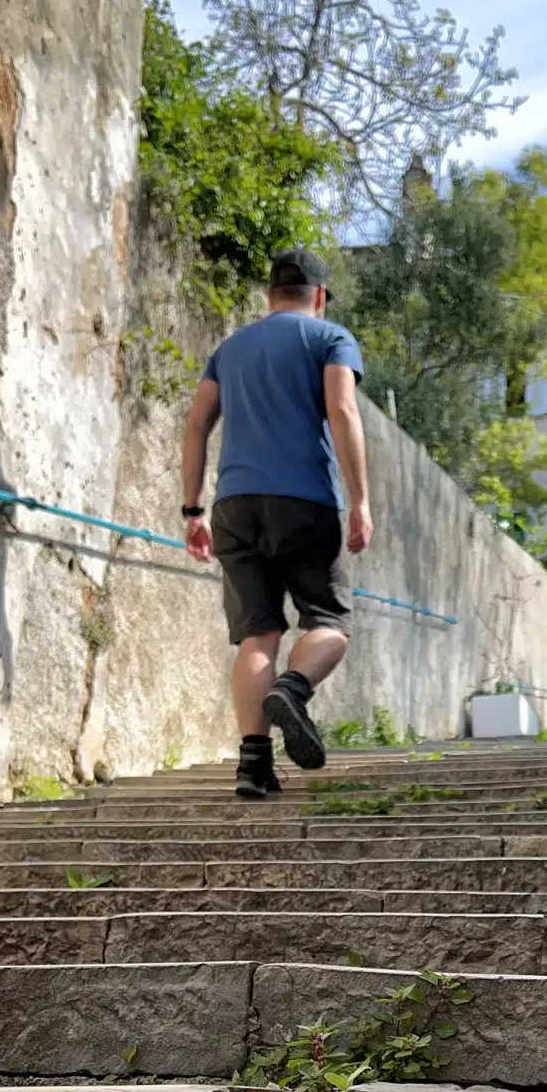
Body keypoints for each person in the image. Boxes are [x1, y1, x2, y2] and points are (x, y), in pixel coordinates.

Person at [181, 246, 374, 800]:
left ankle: (253, 766)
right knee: (330, 621)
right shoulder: (331, 337)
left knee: (257, 632)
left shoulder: (230, 348)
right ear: (319, 296)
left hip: (235, 507)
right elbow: (341, 410)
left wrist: (192, 509)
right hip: (306, 501)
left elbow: (197, 424)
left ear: (269, 297)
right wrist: (360, 501)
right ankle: (293, 687)